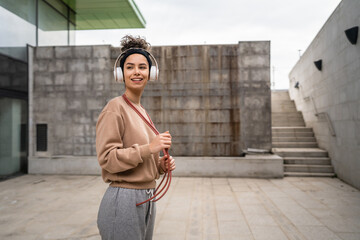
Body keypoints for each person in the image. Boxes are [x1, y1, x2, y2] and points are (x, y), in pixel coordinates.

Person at [96, 35, 176, 240]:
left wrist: (160, 165)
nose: (137, 72)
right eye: (130, 67)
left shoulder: (141, 111)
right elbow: (107, 159)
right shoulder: (115, 108)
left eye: (142, 67)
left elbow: (140, 159)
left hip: (147, 198)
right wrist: (149, 148)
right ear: (120, 73)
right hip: (123, 200)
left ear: (152, 73)